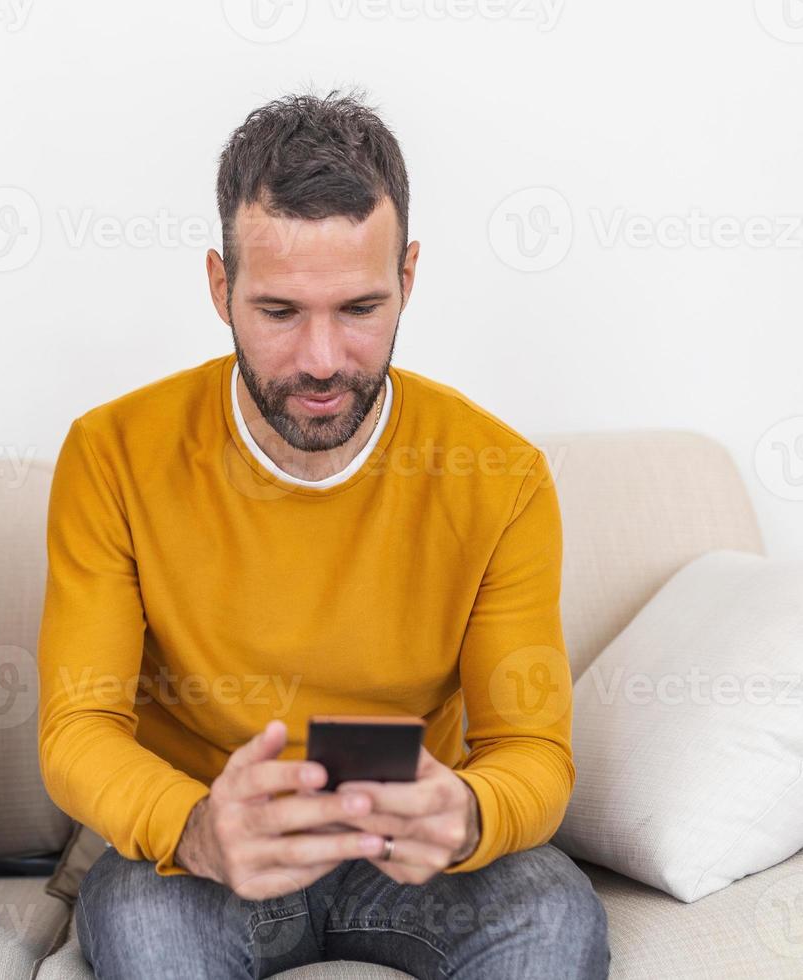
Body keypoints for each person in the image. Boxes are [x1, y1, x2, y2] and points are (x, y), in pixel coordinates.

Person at [37, 90, 609, 979]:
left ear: (408, 278)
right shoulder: (112, 454)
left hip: (404, 858)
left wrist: (465, 813)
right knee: (146, 924)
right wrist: (195, 828)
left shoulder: (501, 476)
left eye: (359, 308)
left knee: (552, 909)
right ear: (221, 287)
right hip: (200, 854)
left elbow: (532, 750)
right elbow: (78, 729)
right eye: (278, 312)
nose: (320, 360)